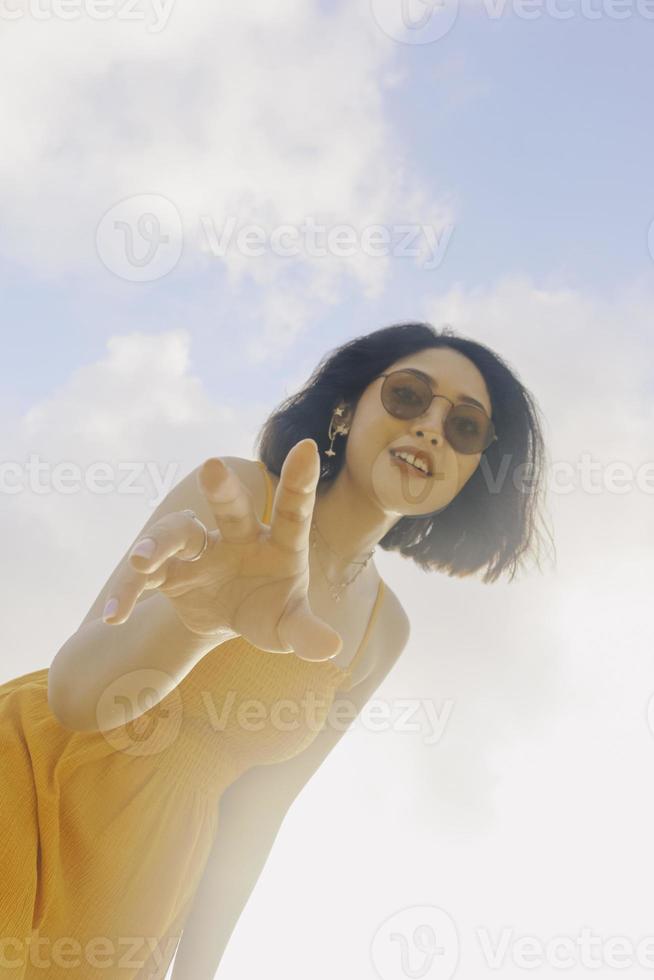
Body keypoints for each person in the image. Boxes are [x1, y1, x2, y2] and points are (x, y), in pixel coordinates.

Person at [0, 321, 550, 978]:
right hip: (29, 782)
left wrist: (195, 973)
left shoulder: (383, 629)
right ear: (346, 410)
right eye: (408, 396)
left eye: (464, 428)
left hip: (137, 887)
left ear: (473, 472)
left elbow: (256, 816)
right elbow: (75, 698)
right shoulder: (233, 495)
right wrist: (200, 621)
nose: (432, 426)